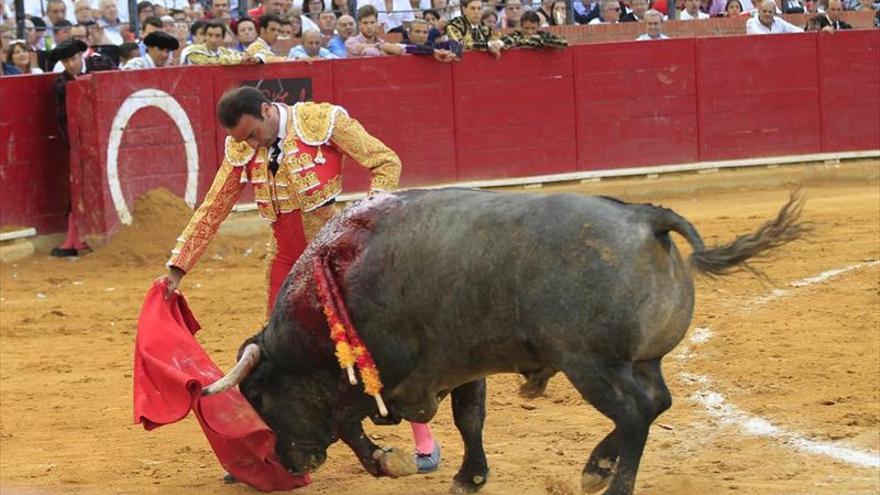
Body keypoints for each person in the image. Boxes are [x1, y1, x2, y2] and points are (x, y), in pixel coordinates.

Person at [161, 86, 442, 475]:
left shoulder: (320, 122)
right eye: (242, 141)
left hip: (336, 258)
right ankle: (273, 449)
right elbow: (214, 207)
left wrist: (366, 223)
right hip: (287, 263)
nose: (250, 146)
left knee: (372, 346)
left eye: (252, 135)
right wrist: (178, 266)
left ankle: (423, 436)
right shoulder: (244, 147)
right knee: (276, 357)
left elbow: (385, 162)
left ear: (266, 110)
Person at [184, 20, 260, 64]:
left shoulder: (224, 51)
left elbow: (243, 55)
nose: (213, 40)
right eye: (210, 35)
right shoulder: (194, 51)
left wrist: (254, 58)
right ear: (205, 36)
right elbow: (213, 61)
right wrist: (240, 59)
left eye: (217, 36)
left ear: (223, 38)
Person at [502, 10, 568, 47]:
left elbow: (563, 42)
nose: (530, 32)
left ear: (538, 26)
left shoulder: (543, 35)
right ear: (521, 26)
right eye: (526, 28)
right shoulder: (515, 36)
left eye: (533, 28)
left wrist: (541, 40)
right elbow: (502, 41)